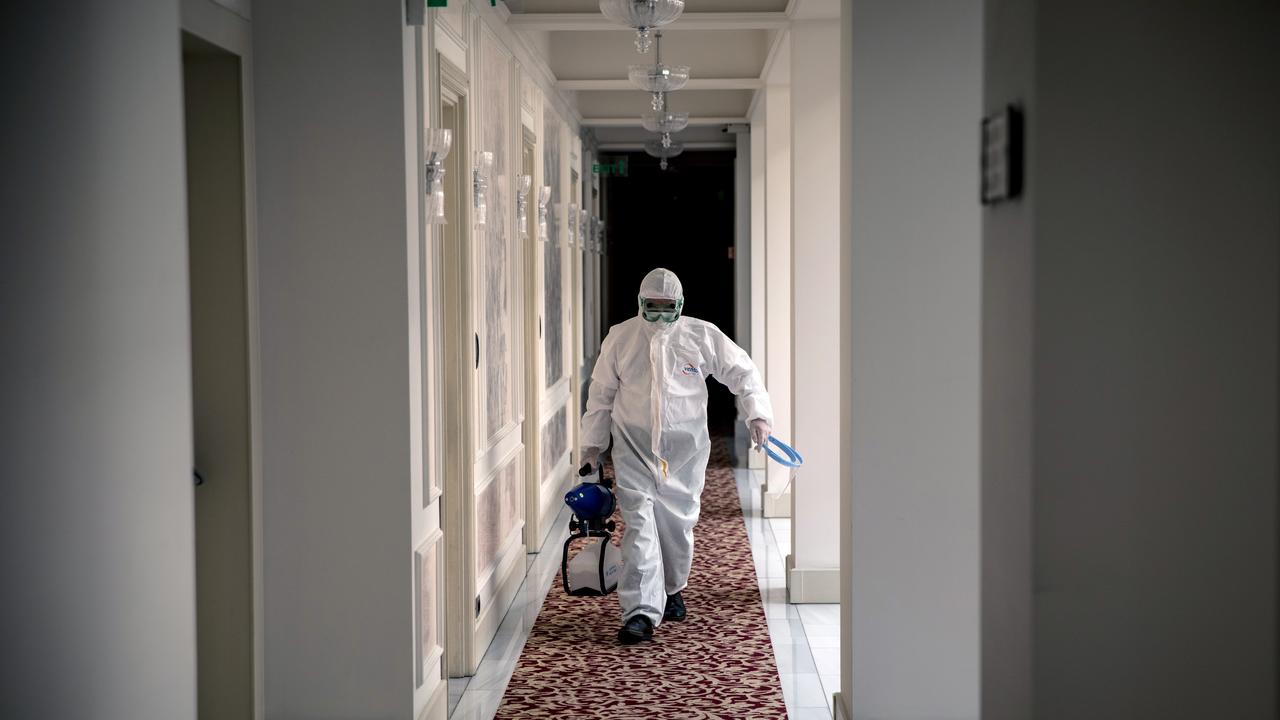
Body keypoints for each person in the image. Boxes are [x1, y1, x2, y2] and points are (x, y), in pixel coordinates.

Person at [580, 268, 773, 644]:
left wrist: (758, 414)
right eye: (651, 307)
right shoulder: (621, 337)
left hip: (686, 450)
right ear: (640, 304)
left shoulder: (700, 335)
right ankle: (639, 612)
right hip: (633, 447)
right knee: (639, 527)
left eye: (667, 308)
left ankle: (671, 589)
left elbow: (742, 372)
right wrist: (592, 446)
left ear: (680, 306)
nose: (659, 315)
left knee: (677, 526)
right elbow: (600, 394)